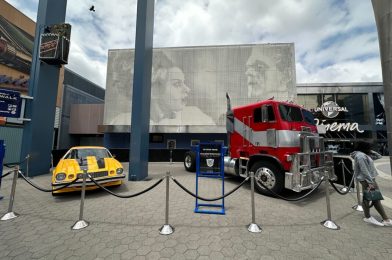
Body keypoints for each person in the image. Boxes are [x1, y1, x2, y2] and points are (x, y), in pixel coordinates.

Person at [110, 51, 215, 126]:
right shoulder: (120, 121)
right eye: (177, 84)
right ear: (153, 90)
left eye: (184, 83)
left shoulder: (197, 116)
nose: (187, 89)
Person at [350, 141, 392, 226]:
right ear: (365, 148)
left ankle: (367, 217)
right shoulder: (361, 156)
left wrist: (371, 151)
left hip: (367, 180)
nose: (370, 149)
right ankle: (385, 219)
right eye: (369, 147)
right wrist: (370, 182)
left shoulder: (364, 155)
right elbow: (364, 170)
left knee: (367, 198)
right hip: (368, 180)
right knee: (375, 198)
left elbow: (379, 156)